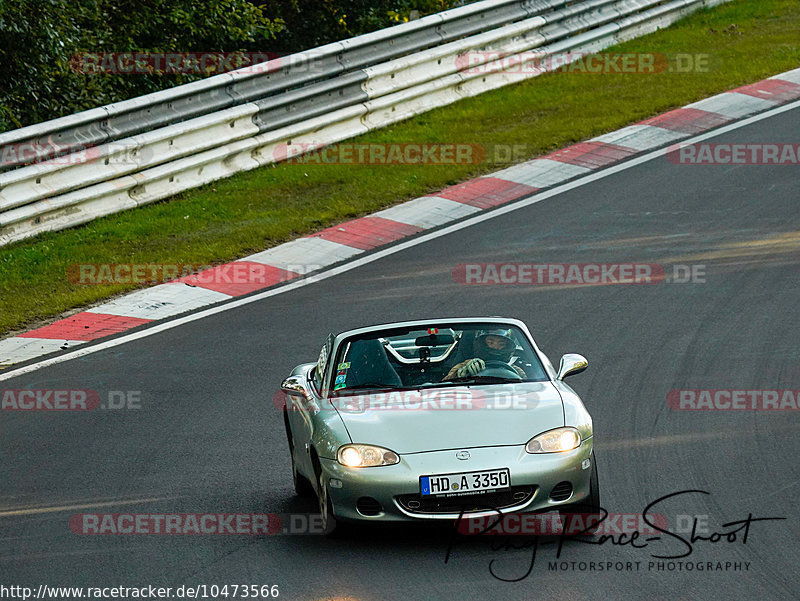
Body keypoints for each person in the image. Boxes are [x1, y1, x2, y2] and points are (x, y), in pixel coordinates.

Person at [443, 329, 526, 380]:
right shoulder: (464, 365)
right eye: (490, 342)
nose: (495, 347)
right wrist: (459, 374)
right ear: (483, 343)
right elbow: (445, 383)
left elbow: (529, 387)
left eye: (501, 344)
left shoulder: (515, 370)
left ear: (507, 346)